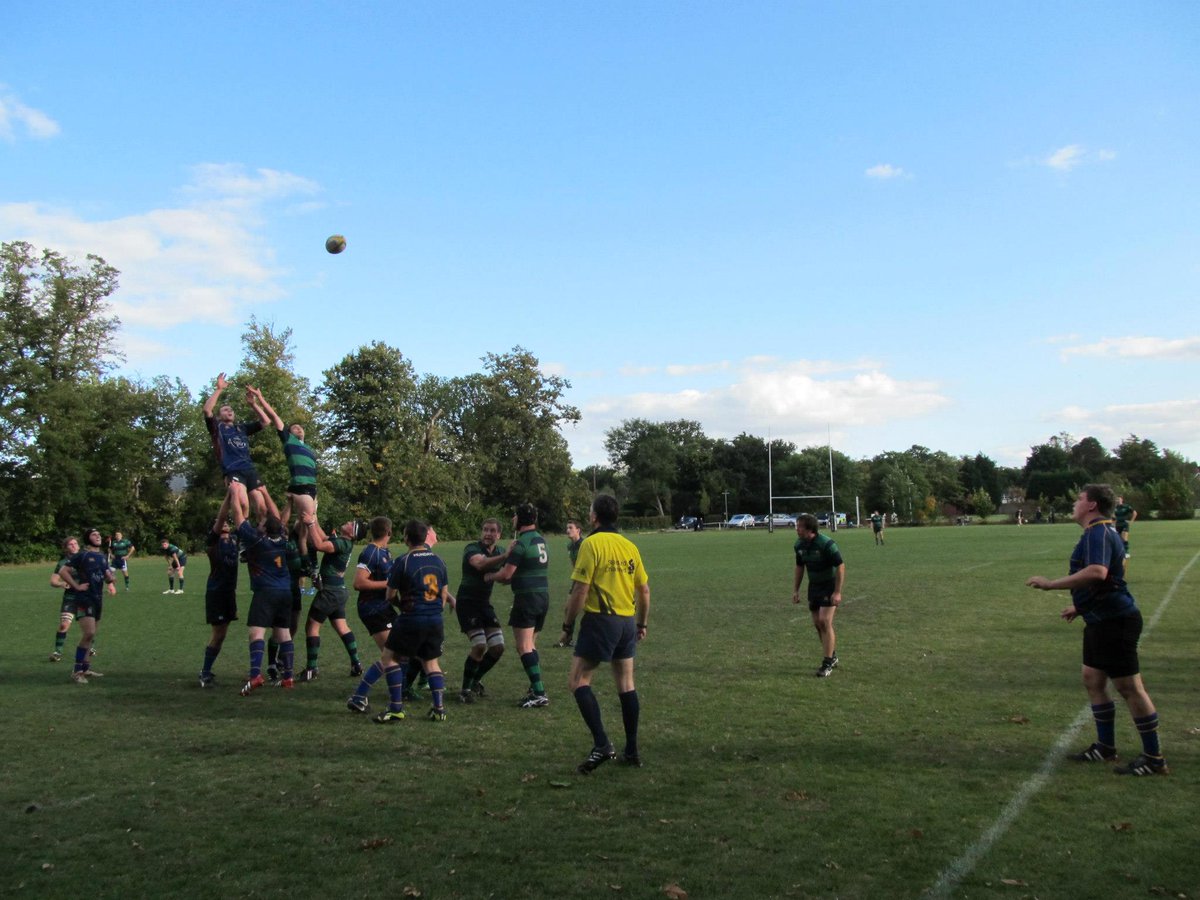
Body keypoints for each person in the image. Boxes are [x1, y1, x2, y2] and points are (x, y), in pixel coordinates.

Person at [1026, 484, 1168, 776]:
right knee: (1092, 679)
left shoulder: (1098, 532)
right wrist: (1080, 607)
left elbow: (1097, 572)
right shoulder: (1100, 532)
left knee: (1129, 688)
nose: (1075, 502)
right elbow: (1108, 578)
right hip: (1099, 619)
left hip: (1115, 621)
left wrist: (1051, 583)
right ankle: (1105, 747)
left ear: (1091, 505)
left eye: (1079, 498)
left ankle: (1154, 758)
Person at [563, 494, 650, 773]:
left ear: (593, 517)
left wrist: (567, 626)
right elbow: (644, 590)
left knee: (578, 681)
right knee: (626, 684)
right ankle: (632, 750)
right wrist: (642, 624)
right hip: (626, 621)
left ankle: (602, 743)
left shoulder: (591, 544)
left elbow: (580, 590)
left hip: (601, 620)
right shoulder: (629, 546)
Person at [348, 520, 453, 723]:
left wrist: (401, 604)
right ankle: (439, 709)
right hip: (435, 619)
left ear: (406, 537)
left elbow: (389, 594)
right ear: (424, 537)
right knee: (431, 663)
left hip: (411, 618)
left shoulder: (403, 561)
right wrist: (435, 609)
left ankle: (395, 707)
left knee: (390, 658)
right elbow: (444, 593)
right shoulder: (439, 561)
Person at [228, 482, 295, 695]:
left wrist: (232, 496)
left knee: (256, 633)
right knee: (284, 634)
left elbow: (238, 517)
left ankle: (255, 674)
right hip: (285, 592)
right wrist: (278, 498)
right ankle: (288, 677)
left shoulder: (257, 541)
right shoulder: (283, 539)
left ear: (264, 529)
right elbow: (278, 518)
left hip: (265, 592)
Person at [486, 503, 551, 707]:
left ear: (520, 519)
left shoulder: (522, 542)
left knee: (523, 646)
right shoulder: (540, 539)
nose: (513, 519)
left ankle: (539, 693)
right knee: (530, 644)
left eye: (514, 516)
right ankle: (535, 686)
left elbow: (506, 574)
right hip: (543, 597)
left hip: (527, 599)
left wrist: (490, 576)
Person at [247, 386, 319, 563]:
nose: (298, 429)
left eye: (300, 428)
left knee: (304, 529)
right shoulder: (289, 440)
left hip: (312, 487)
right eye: (294, 428)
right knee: (309, 527)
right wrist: (260, 399)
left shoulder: (309, 449)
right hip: (301, 487)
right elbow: (274, 416)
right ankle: (309, 566)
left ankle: (303, 565)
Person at [299, 517, 366, 681]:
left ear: (353, 533)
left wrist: (309, 524)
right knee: (342, 627)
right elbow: (321, 536)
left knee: (311, 627)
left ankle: (311, 669)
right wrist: (314, 519)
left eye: (352, 524)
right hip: (338, 591)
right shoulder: (341, 541)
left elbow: (319, 545)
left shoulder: (342, 544)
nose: (348, 522)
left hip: (330, 592)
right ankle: (356, 664)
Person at [454, 518, 509, 703]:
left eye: (492, 530)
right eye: (485, 530)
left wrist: (503, 574)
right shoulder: (472, 548)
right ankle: (465, 690)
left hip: (484, 604)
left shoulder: (501, 551)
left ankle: (475, 679)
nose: (487, 533)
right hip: (467, 603)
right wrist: (505, 557)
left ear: (499, 535)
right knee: (479, 645)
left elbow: (507, 577)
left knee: (498, 647)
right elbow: (480, 564)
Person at [203, 372, 269, 520]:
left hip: (249, 469)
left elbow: (266, 421)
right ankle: (242, 534)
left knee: (262, 508)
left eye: (231, 410)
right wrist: (219, 389)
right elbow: (207, 410)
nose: (230, 411)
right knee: (243, 504)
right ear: (220, 416)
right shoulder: (217, 427)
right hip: (233, 470)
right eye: (225, 410)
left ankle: (261, 536)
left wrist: (253, 404)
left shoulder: (241, 428)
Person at [58, 528, 117, 683]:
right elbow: (64, 571)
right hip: (85, 598)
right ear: (87, 538)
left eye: (99, 534)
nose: (98, 536)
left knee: (92, 636)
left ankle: (86, 668)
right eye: (94, 535)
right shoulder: (82, 555)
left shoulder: (102, 556)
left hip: (98, 598)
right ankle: (77, 671)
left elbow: (106, 576)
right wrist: (76, 586)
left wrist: (111, 579)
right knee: (89, 633)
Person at [792, 513, 845, 677]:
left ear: (809, 529)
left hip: (829, 585)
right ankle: (832, 656)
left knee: (824, 621)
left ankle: (827, 663)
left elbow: (840, 566)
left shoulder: (826, 544)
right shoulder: (799, 545)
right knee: (817, 623)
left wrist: (837, 591)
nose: (797, 529)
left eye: (799, 526)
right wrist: (796, 590)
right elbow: (800, 567)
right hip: (814, 586)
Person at [199, 492, 239, 688]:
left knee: (222, 634)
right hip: (216, 592)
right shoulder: (213, 543)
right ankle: (204, 672)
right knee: (218, 633)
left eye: (225, 522)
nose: (223, 523)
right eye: (219, 522)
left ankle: (206, 670)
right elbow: (222, 515)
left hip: (229, 593)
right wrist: (230, 496)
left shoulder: (234, 540)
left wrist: (240, 497)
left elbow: (243, 516)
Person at [49, 536, 82, 661]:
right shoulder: (62, 563)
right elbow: (53, 581)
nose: (73, 546)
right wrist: (61, 584)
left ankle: (91, 648)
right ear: (66, 548)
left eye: (75, 543)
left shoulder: (85, 558)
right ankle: (57, 652)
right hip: (70, 597)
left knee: (88, 626)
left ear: (78, 546)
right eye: (70, 544)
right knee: (64, 625)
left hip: (85, 597)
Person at [554, 519, 584, 647]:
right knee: (568, 608)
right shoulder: (569, 546)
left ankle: (566, 637)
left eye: (571, 527)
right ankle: (568, 638)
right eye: (567, 528)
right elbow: (574, 564)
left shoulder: (585, 544)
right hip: (577, 580)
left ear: (578, 530)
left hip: (587, 581)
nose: (568, 530)